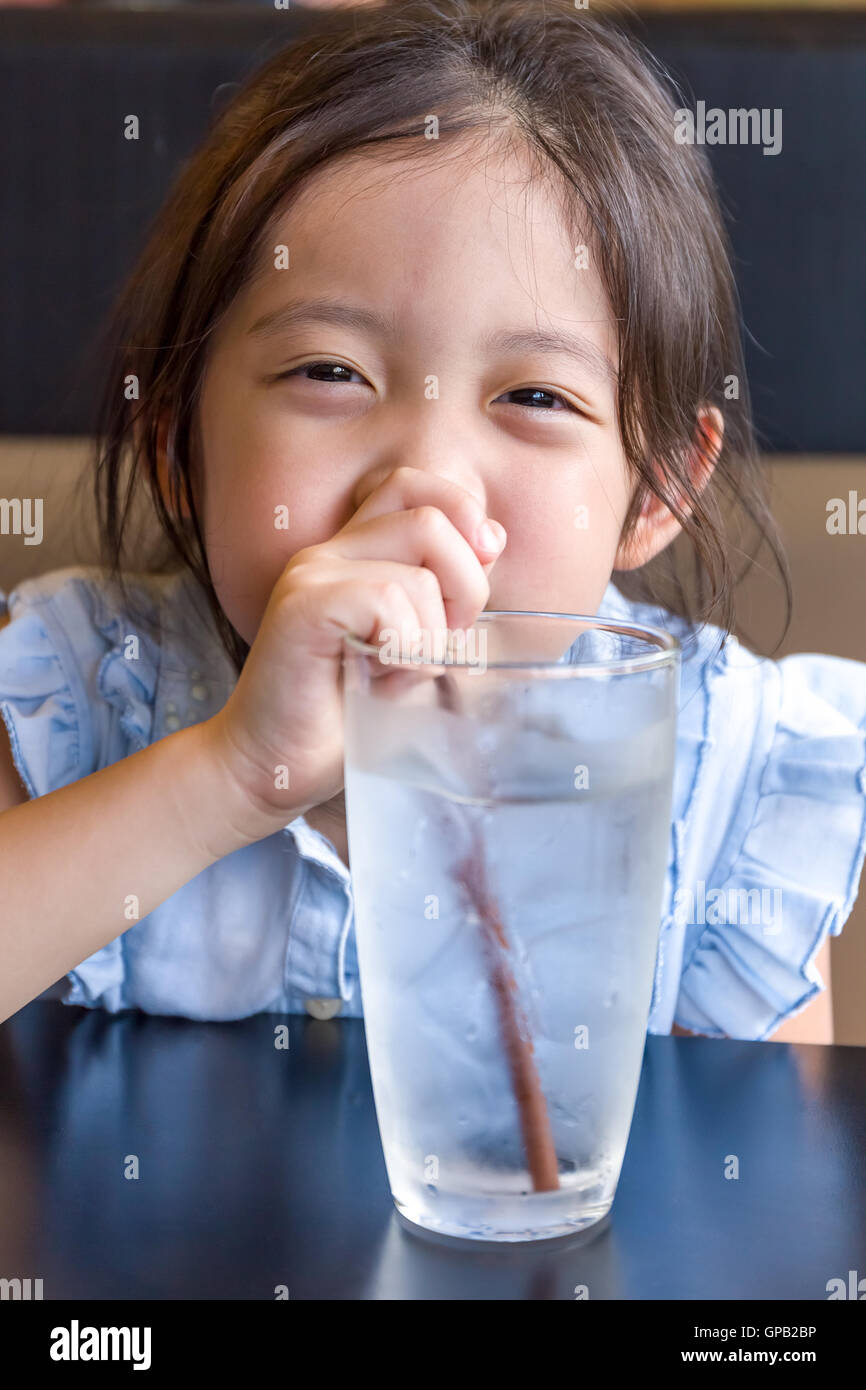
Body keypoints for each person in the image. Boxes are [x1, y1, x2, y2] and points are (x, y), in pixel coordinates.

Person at [0, 0, 863, 1040]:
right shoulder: (74, 693)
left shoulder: (722, 783)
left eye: (535, 397)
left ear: (661, 489)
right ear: (173, 447)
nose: (425, 479)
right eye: (330, 371)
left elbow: (768, 1184)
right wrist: (231, 773)